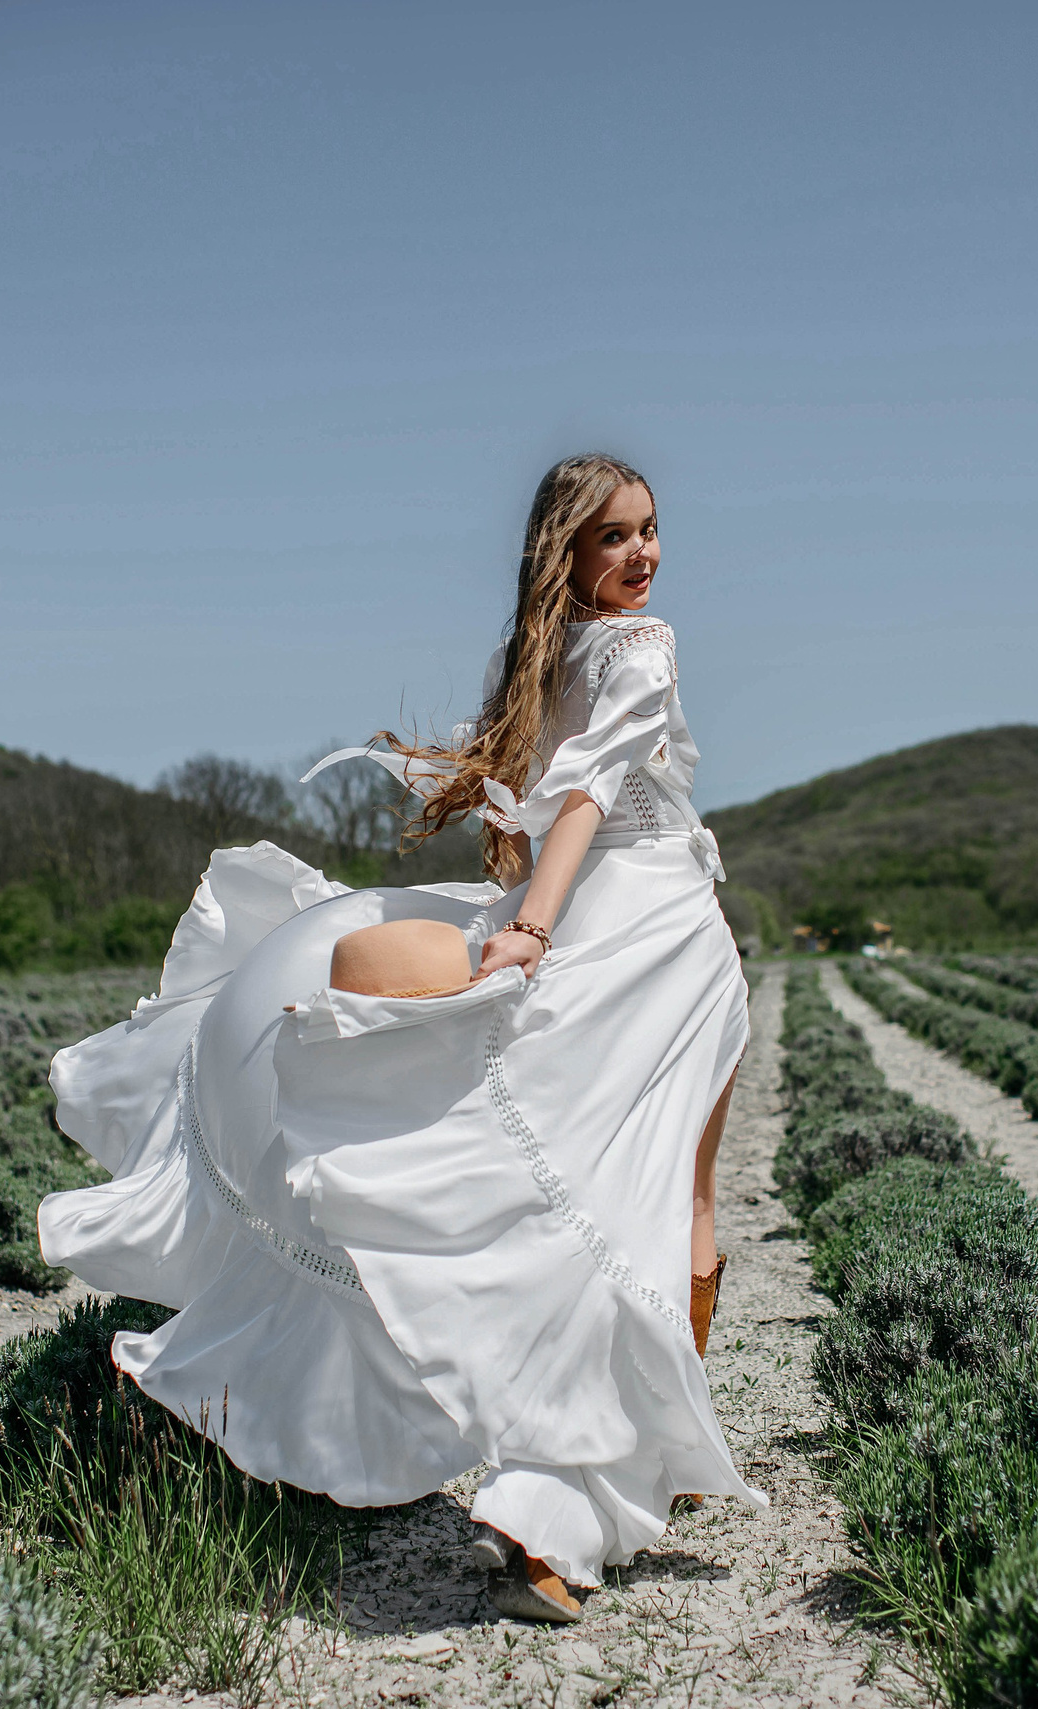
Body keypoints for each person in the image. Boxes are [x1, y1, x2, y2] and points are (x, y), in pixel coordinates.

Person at [37, 453, 759, 1626]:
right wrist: (527, 923)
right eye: (616, 537)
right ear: (565, 554)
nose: (643, 555)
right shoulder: (642, 645)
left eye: (652, 530)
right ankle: (572, 1502)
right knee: (664, 1200)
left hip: (630, 929)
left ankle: (572, 1475)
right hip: (657, 935)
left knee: (616, 1198)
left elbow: (544, 802)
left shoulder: (539, 656)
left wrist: (525, 907)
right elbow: (581, 795)